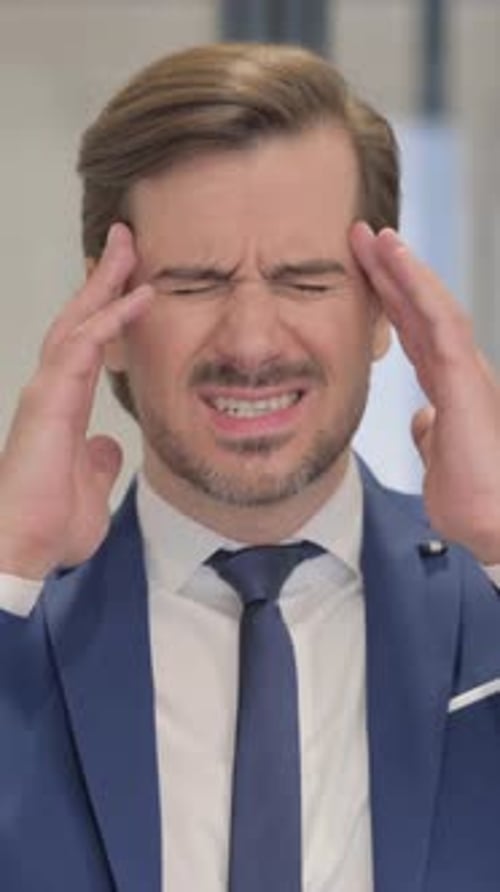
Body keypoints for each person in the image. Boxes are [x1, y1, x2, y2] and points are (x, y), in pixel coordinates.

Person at [0, 41, 499, 892]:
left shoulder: (482, 605)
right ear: (107, 315)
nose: (253, 343)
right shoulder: (25, 624)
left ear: (385, 309)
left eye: (306, 281)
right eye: (194, 283)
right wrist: (8, 561)